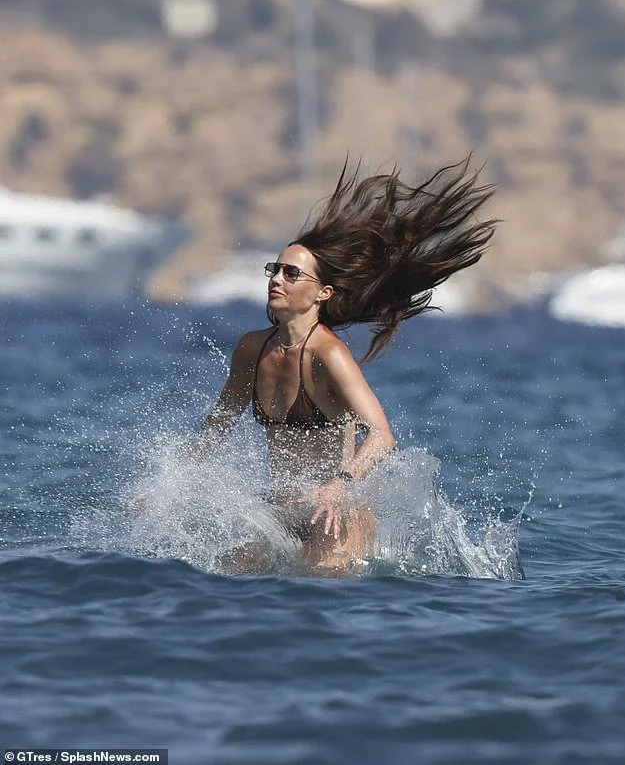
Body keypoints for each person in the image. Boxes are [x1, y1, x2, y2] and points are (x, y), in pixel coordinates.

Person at [132, 159, 497, 576]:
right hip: (285, 520)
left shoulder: (329, 354)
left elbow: (382, 435)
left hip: (336, 517)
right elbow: (219, 422)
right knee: (223, 581)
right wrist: (166, 487)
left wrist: (341, 485)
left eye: (291, 273)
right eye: (275, 270)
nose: (276, 280)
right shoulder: (252, 349)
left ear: (322, 293)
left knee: (320, 582)